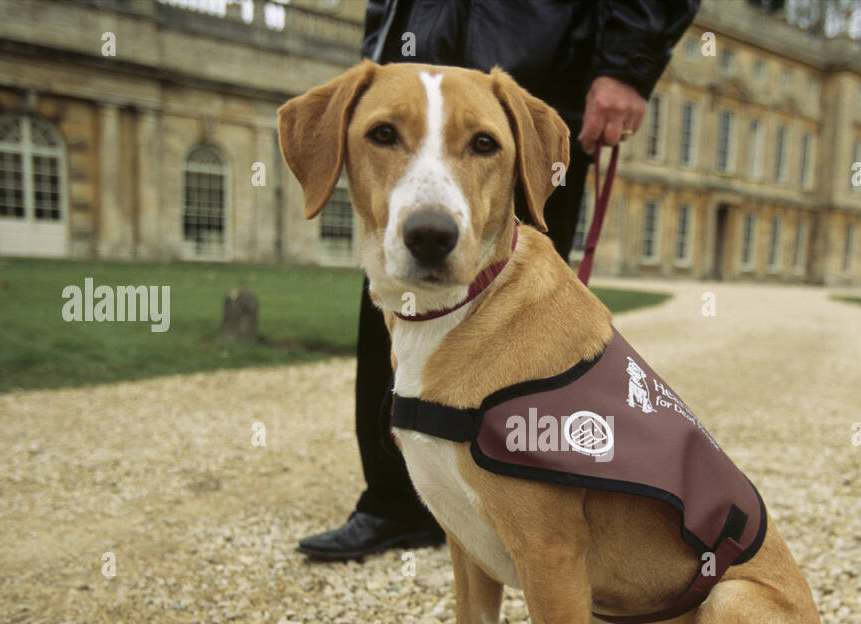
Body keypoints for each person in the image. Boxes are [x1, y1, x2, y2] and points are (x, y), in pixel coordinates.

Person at [298, 0, 700, 562]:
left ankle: (535, 518)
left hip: (541, 61)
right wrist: (382, 42)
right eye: (383, 134)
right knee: (391, 306)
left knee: (532, 320)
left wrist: (627, 64)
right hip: (416, 41)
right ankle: (398, 501)